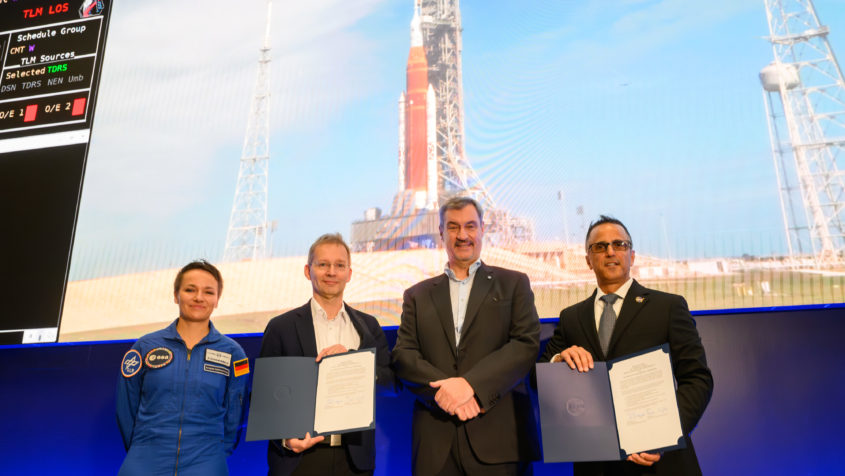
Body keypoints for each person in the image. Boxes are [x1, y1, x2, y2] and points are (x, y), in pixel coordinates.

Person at [539, 215, 714, 476]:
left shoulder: (668, 307)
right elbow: (538, 376)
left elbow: (697, 379)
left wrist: (665, 435)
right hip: (597, 464)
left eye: (619, 244)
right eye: (600, 246)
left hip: (659, 463)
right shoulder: (571, 317)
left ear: (632, 255)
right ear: (588, 259)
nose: (610, 251)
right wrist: (559, 361)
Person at [392, 196, 541, 476]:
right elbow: (404, 355)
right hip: (435, 448)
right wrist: (448, 392)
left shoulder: (514, 284)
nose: (463, 235)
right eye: (453, 227)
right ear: (441, 232)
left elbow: (525, 344)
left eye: (470, 226)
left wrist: (470, 386)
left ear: (483, 229)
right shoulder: (417, 295)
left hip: (499, 444)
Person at [259, 233, 395, 476]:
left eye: (339, 265)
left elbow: (389, 383)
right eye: (323, 264)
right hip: (299, 459)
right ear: (307, 271)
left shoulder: (368, 326)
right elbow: (263, 397)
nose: (331, 272)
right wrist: (285, 438)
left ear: (349, 274)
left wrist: (354, 364)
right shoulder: (281, 327)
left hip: (355, 461)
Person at [116, 260, 249, 476]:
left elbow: (237, 411)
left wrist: (216, 453)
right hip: (145, 460)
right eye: (190, 290)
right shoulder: (144, 347)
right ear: (176, 295)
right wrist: (142, 447)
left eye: (208, 292)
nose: (199, 297)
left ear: (217, 300)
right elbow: (126, 406)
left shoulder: (235, 354)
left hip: (206, 462)